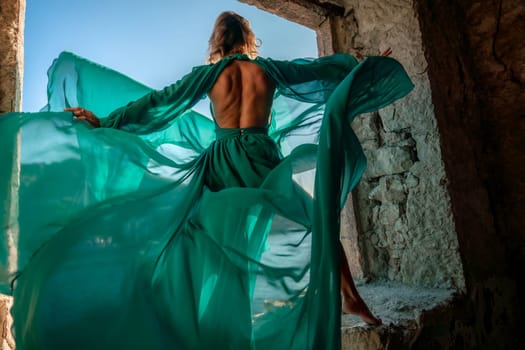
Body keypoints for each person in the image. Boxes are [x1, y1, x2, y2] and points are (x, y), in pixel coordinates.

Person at [0, 11, 412, 350]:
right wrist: (362, 68)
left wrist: (107, 121)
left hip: (222, 160)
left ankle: (209, 323)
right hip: (262, 158)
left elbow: (158, 104)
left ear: (218, 42)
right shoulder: (267, 70)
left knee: (205, 241)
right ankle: (350, 295)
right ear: (248, 39)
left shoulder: (210, 75)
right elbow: (322, 76)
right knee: (314, 216)